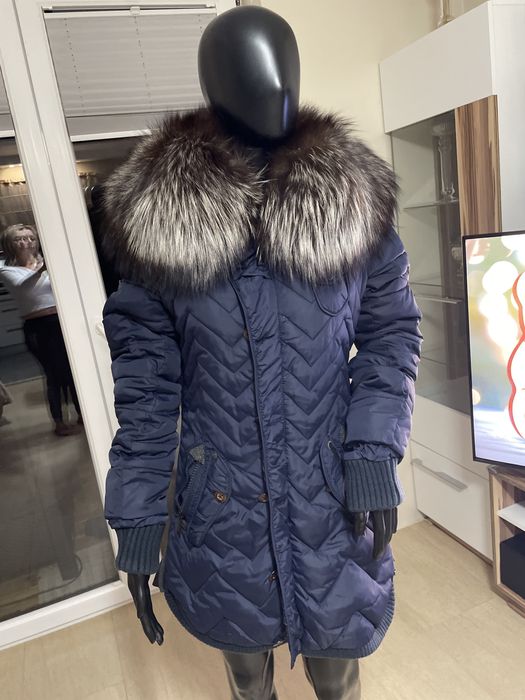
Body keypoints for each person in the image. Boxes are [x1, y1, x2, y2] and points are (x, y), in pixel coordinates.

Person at [0, 224, 82, 436]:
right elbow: (23, 285)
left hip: (61, 322)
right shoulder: (6, 269)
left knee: (72, 370)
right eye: (20, 239)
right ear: (9, 244)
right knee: (53, 374)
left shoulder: (47, 262)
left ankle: (83, 416)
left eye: (31, 238)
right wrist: (45, 267)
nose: (26, 242)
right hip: (38, 328)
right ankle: (59, 423)